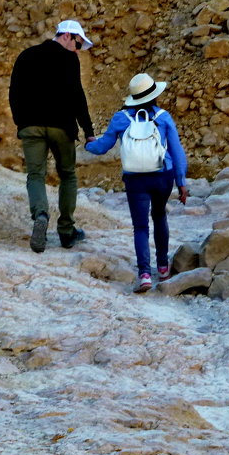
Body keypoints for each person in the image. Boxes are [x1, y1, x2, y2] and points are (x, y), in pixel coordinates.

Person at [84, 73, 189, 292]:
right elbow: (177, 151)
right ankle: (162, 268)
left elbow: (102, 147)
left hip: (135, 178)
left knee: (140, 226)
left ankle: (144, 274)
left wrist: (88, 144)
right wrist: (181, 182)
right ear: (154, 95)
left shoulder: (121, 118)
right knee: (159, 216)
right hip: (163, 175)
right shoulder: (163, 117)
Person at [8, 20, 97, 253]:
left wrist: (22, 122)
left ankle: (41, 214)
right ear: (67, 36)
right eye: (78, 43)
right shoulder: (69, 60)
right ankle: (67, 231)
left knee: (35, 174)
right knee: (67, 175)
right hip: (61, 127)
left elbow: (14, 91)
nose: (78, 49)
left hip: (31, 127)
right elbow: (78, 96)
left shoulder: (27, 55)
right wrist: (88, 132)